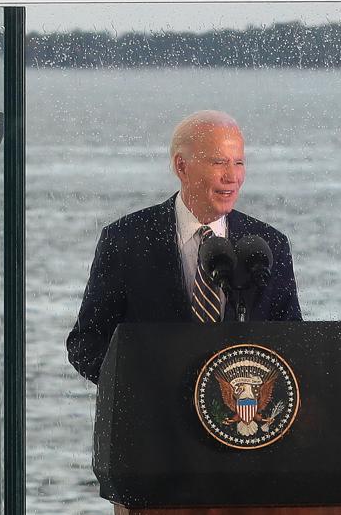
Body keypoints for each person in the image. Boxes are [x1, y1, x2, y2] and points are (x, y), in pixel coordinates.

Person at [65, 110, 301, 383]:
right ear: (182, 167)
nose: (232, 177)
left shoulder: (269, 245)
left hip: (242, 418)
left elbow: (294, 344)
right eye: (218, 162)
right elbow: (86, 344)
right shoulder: (125, 240)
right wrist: (142, 388)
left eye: (239, 163)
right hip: (152, 421)